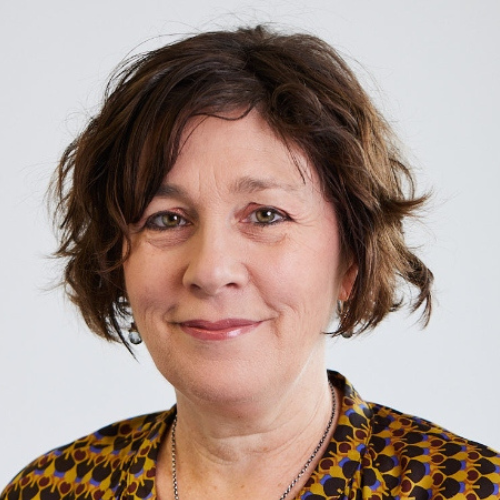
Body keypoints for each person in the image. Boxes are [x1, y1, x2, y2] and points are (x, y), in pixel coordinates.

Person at [2, 24, 499, 500]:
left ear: (353, 256)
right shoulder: (48, 489)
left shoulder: (470, 490)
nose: (211, 271)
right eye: (166, 219)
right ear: (116, 260)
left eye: (266, 215)